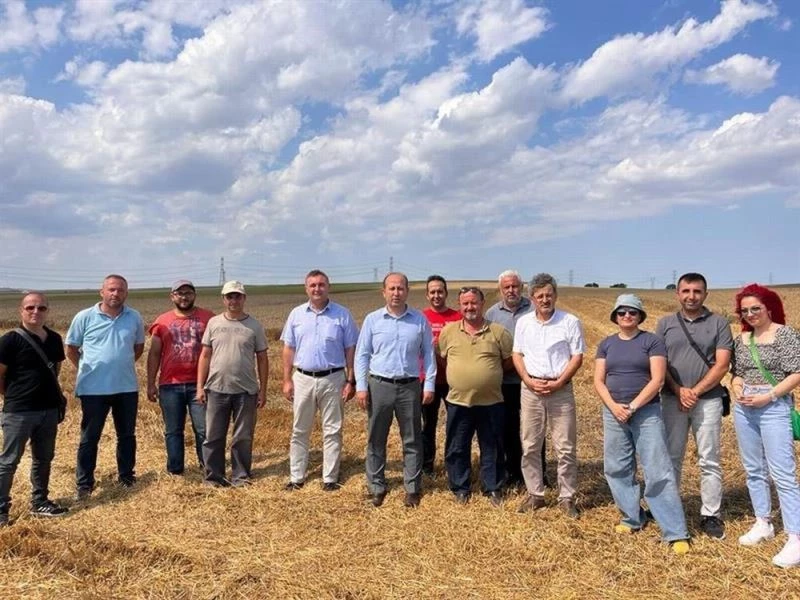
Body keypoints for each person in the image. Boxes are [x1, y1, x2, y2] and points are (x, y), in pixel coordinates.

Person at [594, 294, 691, 555]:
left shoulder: (651, 341)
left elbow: (657, 379)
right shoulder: (606, 344)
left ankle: (675, 531)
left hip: (646, 411)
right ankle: (632, 517)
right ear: (615, 316)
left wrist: (633, 407)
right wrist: (614, 407)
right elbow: (599, 380)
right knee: (617, 467)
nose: (627, 316)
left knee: (657, 469)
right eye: (622, 312)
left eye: (632, 312)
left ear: (640, 316)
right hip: (613, 412)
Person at [655, 273, 732, 539]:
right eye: (686, 291)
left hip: (708, 400)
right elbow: (659, 362)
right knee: (671, 456)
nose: (691, 296)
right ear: (678, 294)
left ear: (705, 294)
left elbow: (722, 364)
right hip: (671, 399)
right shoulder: (665, 323)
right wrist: (678, 390)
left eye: (697, 291)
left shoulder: (719, 323)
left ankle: (711, 514)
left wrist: (695, 392)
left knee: (709, 458)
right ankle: (669, 509)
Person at [730, 283, 800, 568]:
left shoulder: (785, 334)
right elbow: (737, 373)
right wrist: (737, 388)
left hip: (773, 407)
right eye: (745, 310)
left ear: (769, 308)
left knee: (783, 473)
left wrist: (768, 396)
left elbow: (797, 372)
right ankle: (764, 522)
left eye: (755, 308)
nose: (750, 314)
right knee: (754, 469)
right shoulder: (741, 339)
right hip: (744, 408)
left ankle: (795, 537)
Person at [355, 272, 435, 508]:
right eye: (391, 288)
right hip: (379, 385)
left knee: (412, 439)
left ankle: (412, 488)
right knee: (376, 438)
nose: (396, 293)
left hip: (410, 386)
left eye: (400, 288)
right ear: (384, 292)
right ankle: (376, 486)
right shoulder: (372, 320)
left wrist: (429, 384)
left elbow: (428, 354)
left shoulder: (419, 320)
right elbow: (362, 354)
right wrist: (361, 386)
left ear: (407, 291)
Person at [66, 274, 145, 499]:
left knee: (127, 435)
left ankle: (126, 477)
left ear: (126, 293)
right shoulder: (84, 317)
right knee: (90, 437)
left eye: (120, 290)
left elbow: (138, 348)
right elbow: (71, 348)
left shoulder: (134, 317)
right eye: (111, 289)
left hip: (126, 387)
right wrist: (87, 369)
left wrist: (119, 365)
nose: (115, 293)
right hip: (93, 389)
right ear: (102, 292)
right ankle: (84, 483)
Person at [513, 274, 585, 518]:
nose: (545, 300)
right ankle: (536, 494)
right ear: (532, 298)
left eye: (549, 295)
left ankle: (567, 497)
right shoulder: (523, 323)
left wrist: (559, 382)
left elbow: (577, 357)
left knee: (565, 447)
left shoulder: (570, 321)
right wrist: (527, 379)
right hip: (531, 390)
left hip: (560, 390)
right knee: (530, 444)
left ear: (555, 295)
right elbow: (517, 354)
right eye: (540, 296)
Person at [281, 270, 359, 491]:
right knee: (300, 429)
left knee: (332, 429)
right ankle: (296, 477)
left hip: (333, 378)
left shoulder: (342, 315)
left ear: (328, 287)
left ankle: (330, 478)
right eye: (313, 285)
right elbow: (288, 349)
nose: (317, 289)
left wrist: (350, 380)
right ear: (306, 288)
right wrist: (286, 380)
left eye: (321, 285)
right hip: (303, 378)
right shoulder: (296, 314)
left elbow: (350, 349)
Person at [437, 286, 512, 506]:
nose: (470, 307)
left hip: (491, 401)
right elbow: (442, 358)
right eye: (465, 303)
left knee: (492, 446)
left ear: (482, 304)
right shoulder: (448, 332)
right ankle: (460, 487)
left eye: (474, 302)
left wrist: (487, 375)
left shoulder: (498, 332)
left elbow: (509, 361)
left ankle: (493, 487)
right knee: (457, 446)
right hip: (458, 401)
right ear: (460, 306)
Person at [0, 293, 68, 525]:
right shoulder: (9, 340)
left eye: (41, 308)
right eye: (30, 307)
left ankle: (40, 502)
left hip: (48, 410)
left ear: (47, 311)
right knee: (9, 461)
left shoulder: (54, 339)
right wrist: (14, 395)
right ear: (21, 310)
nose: (35, 312)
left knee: (44, 458)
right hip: (19, 411)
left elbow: (55, 371)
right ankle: (1, 510)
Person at [197, 281, 268, 487]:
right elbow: (205, 355)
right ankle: (214, 477)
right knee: (213, 436)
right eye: (229, 296)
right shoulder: (214, 323)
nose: (233, 300)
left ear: (244, 298)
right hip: (216, 389)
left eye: (237, 296)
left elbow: (262, 359)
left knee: (243, 437)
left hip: (246, 391)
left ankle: (240, 476)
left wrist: (262, 390)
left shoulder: (254, 326)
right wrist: (200, 386)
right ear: (223, 299)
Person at [146, 280, 215, 475]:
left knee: (203, 429)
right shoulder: (162, 321)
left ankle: (208, 467)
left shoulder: (209, 318)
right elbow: (154, 354)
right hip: (170, 385)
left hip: (200, 384)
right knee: (173, 431)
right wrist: (151, 383)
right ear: (172, 296)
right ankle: (175, 470)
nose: (184, 297)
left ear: (194, 295)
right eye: (180, 293)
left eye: (188, 293)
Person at [485, 269, 546, 488]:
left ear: (522, 287)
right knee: (508, 429)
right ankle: (514, 473)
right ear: (500, 289)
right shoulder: (492, 314)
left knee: (535, 431)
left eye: (515, 286)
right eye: (506, 287)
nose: (511, 290)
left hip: (531, 381)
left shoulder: (533, 309)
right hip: (505, 382)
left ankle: (539, 474)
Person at [420, 275, 461, 476]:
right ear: (427, 295)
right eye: (432, 292)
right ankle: (427, 466)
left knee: (455, 425)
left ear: (446, 293)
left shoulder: (458, 317)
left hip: (453, 381)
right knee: (428, 425)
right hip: (428, 381)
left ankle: (453, 466)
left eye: (440, 291)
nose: (436, 295)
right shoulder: (420, 317)